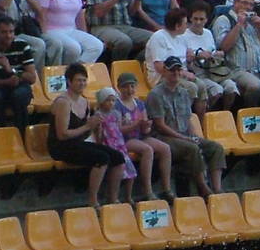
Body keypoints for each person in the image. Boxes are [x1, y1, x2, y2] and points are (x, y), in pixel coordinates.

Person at [145, 54, 224, 196]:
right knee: (192, 148)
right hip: (164, 137)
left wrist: (194, 136)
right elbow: (160, 125)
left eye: (178, 70)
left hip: (182, 134)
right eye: (172, 70)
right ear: (164, 71)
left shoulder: (184, 92)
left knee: (215, 147)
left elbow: (188, 119)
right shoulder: (155, 95)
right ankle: (203, 188)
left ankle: (217, 189)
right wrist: (184, 137)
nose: (175, 73)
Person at [48, 62, 124, 207]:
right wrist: (87, 126)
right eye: (78, 80)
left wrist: (95, 127)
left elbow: (86, 131)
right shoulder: (63, 102)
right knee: (101, 158)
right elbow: (62, 135)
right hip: (61, 146)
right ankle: (93, 200)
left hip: (78, 142)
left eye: (84, 80)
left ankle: (113, 198)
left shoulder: (85, 102)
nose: (82, 83)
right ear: (69, 82)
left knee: (119, 158)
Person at [111, 68, 170, 200]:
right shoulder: (117, 105)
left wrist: (146, 125)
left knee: (165, 148)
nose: (129, 89)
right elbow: (118, 129)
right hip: (125, 139)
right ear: (119, 88)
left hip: (140, 136)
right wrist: (136, 124)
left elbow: (145, 130)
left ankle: (167, 188)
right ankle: (147, 190)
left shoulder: (139, 104)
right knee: (147, 150)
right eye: (125, 87)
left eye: (132, 86)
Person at [211, 0, 260, 103]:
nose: (248, 7)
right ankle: (248, 113)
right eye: (245, 3)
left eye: (251, 4)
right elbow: (223, 47)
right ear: (235, 3)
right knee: (256, 85)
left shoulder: (253, 22)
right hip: (236, 70)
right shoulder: (224, 20)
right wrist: (239, 24)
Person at [0, 14, 35, 127]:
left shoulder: (23, 46)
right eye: (4, 32)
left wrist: (11, 70)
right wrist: (7, 82)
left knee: (19, 95)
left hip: (20, 85)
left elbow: (32, 77)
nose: (9, 35)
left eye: (11, 32)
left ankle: (22, 134)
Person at [91, 84, 136, 201]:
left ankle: (128, 196)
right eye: (108, 100)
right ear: (101, 102)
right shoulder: (98, 115)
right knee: (113, 171)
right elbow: (97, 134)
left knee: (131, 171)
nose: (111, 103)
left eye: (113, 100)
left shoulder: (116, 114)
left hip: (119, 144)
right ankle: (113, 197)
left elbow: (119, 129)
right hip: (108, 144)